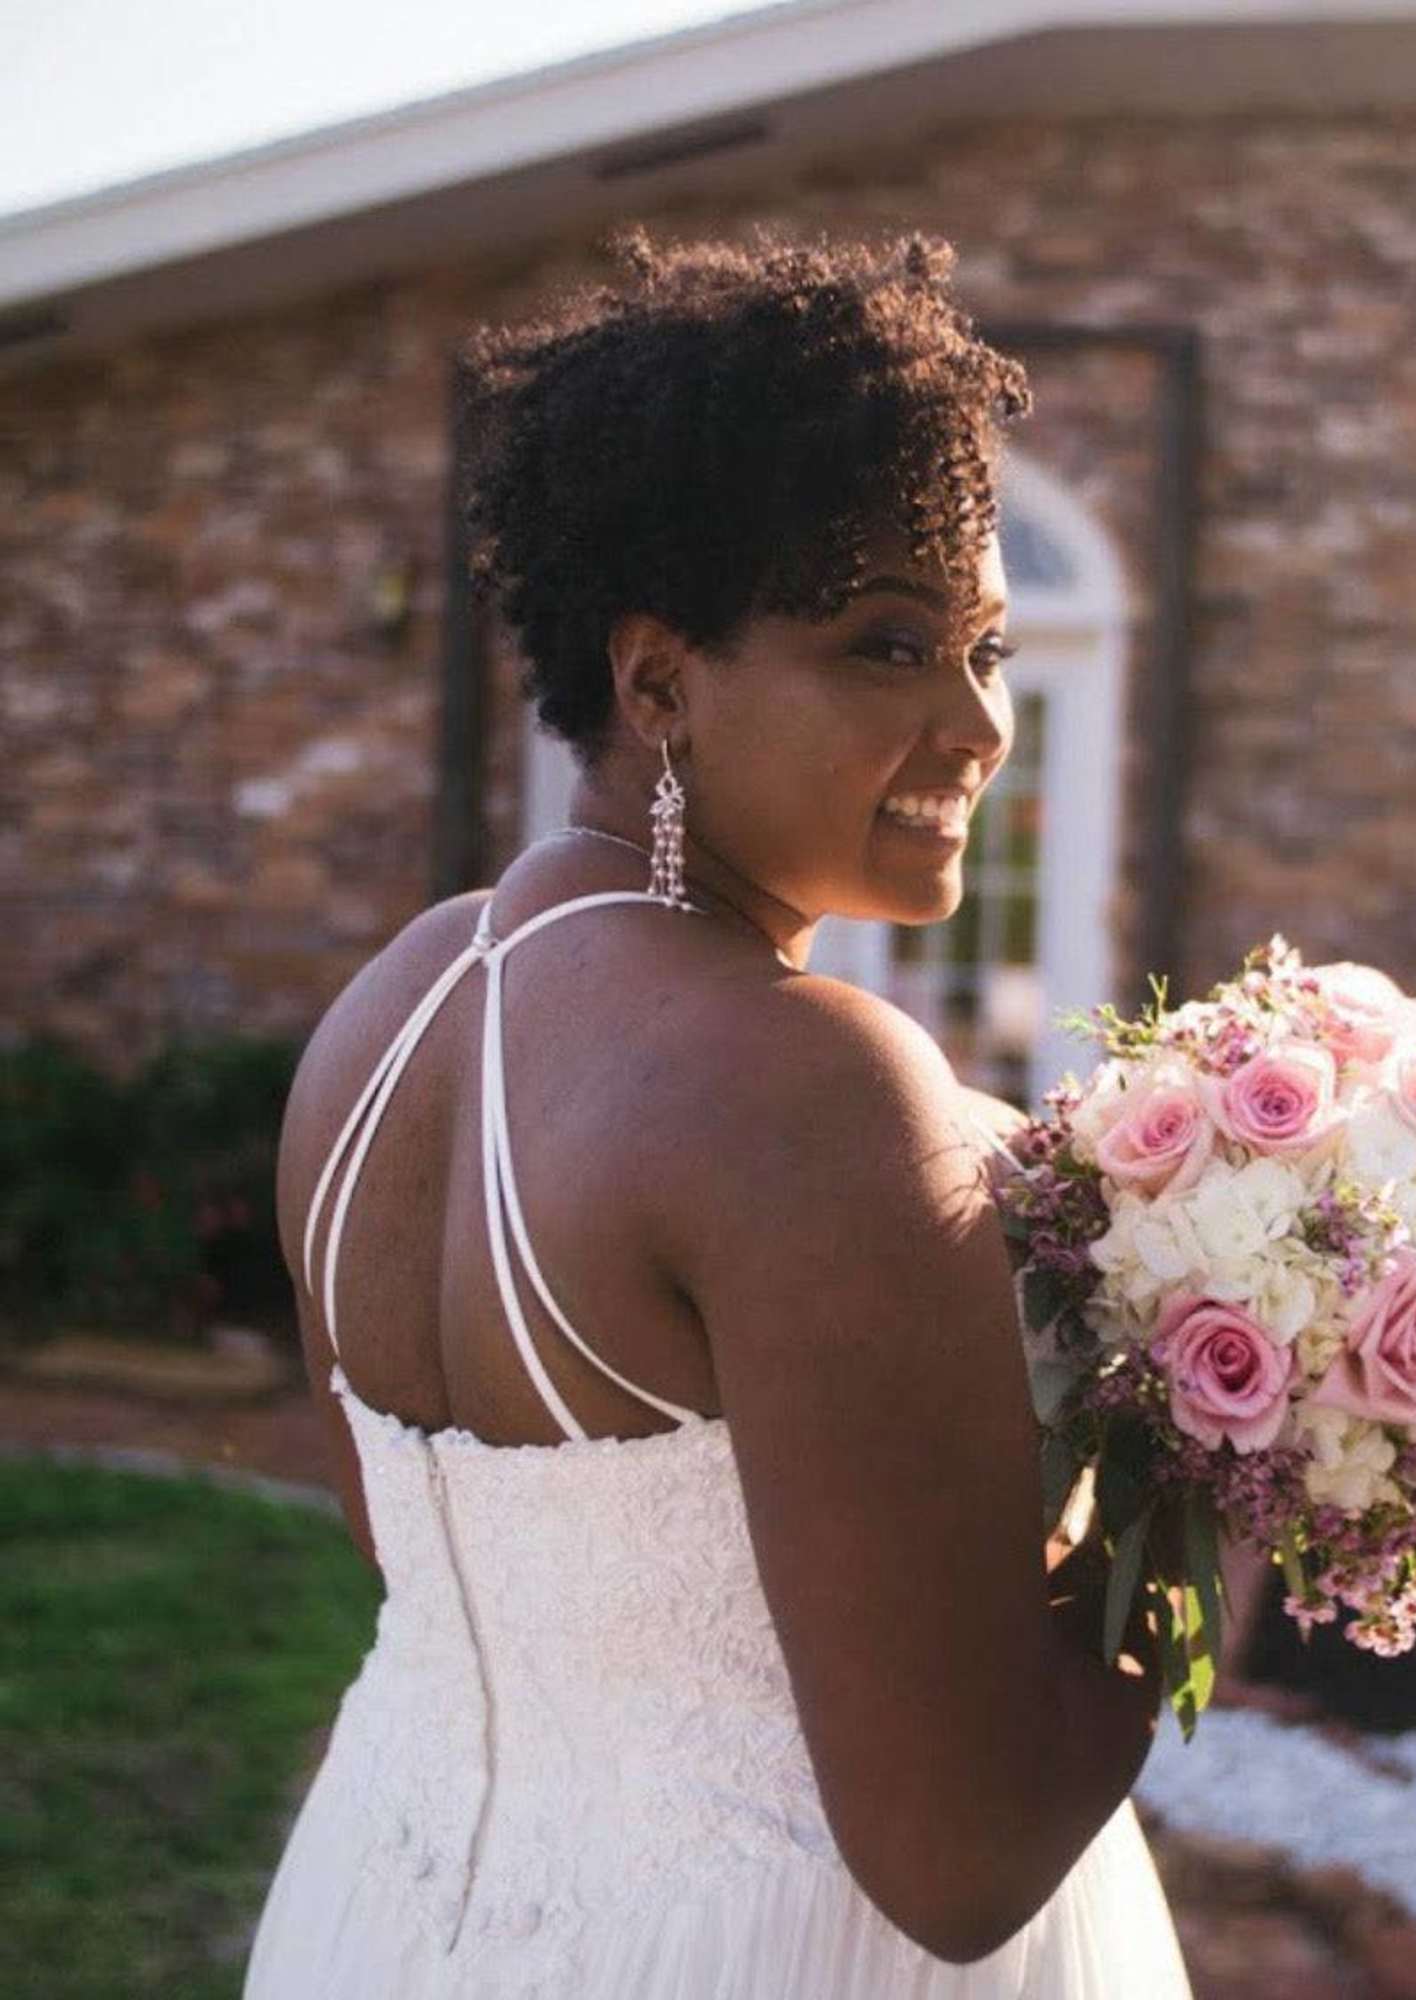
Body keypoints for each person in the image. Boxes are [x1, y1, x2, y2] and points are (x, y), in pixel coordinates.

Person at [243, 225, 1193, 1997]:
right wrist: (1250, 1462)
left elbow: (434, 1575)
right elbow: (965, 1861)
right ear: (661, 678)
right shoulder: (804, 1083)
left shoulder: (386, 1019)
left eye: (985, 644)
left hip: (387, 1912)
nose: (978, 721)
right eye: (888, 643)